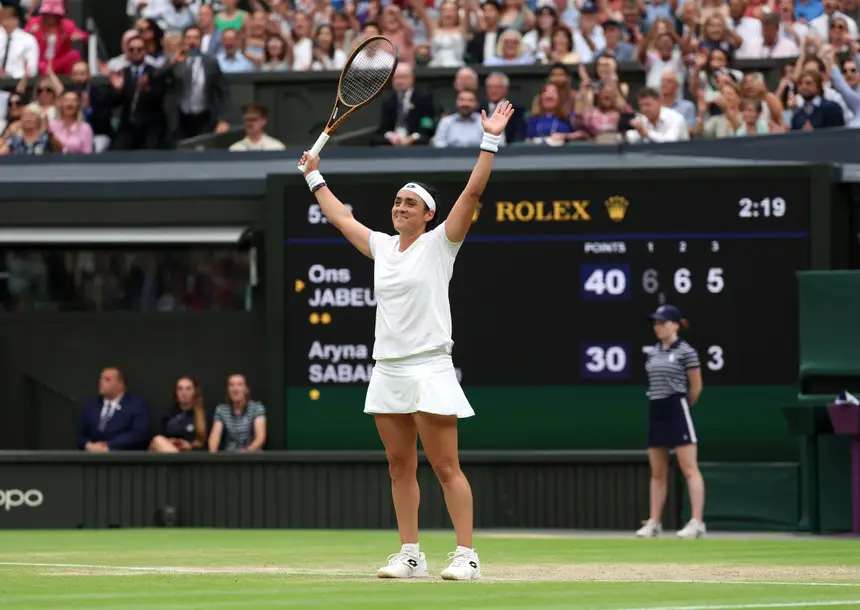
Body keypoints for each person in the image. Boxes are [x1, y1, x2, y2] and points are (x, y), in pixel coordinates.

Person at [297, 101, 515, 581]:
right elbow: (341, 219)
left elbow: (474, 190)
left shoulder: (442, 243)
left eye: (409, 203)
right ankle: (411, 554)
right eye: (396, 202)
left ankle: (466, 556)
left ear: (428, 214)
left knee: (444, 466)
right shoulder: (380, 247)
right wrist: (315, 177)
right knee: (399, 465)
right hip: (389, 368)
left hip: (430, 366)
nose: (399, 208)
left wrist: (490, 139)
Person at [636, 304, 706, 539]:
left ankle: (697, 522)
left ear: (675, 325)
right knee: (657, 471)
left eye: (662, 323)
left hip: (678, 408)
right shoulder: (652, 352)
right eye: (655, 323)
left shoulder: (687, 352)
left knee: (689, 467)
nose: (658, 327)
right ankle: (654, 522)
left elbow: (696, 387)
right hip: (656, 408)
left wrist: (683, 406)